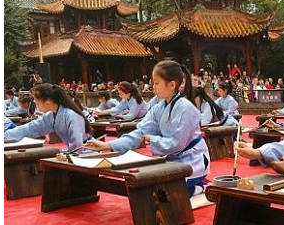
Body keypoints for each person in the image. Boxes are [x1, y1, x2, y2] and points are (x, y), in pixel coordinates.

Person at [86, 60, 210, 196]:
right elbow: (140, 132)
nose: (153, 87)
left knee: (169, 192)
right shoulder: (158, 108)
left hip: (193, 159)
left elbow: (177, 144)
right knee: (148, 186)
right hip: (172, 158)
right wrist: (107, 145)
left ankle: (200, 187)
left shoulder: (186, 108)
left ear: (172, 85)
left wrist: (153, 139)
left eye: (157, 83)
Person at [2, 83, 88, 150]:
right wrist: (4, 136)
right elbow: (31, 128)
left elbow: (78, 144)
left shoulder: (71, 115)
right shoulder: (50, 116)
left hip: (87, 151)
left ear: (47, 102)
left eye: (37, 102)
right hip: (73, 151)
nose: (36, 105)